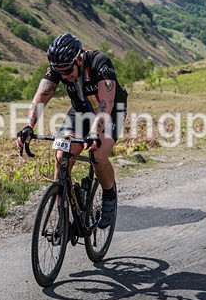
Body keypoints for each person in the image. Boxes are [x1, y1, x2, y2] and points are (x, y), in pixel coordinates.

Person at [15, 33, 128, 229]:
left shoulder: (99, 62)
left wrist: (94, 133)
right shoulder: (58, 69)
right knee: (62, 154)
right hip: (81, 111)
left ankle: (109, 196)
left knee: (98, 155)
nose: (65, 75)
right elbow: (39, 98)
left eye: (68, 70)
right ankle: (63, 217)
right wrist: (28, 127)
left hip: (111, 110)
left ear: (78, 58)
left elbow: (105, 102)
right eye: (60, 71)